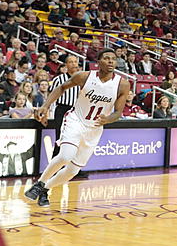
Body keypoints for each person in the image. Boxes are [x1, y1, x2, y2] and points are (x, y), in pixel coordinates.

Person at [24, 50, 130, 207]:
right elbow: (61, 88)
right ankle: (40, 183)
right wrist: (46, 106)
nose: (110, 62)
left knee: (72, 171)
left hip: (94, 129)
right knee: (66, 155)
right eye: (106, 58)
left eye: (113, 59)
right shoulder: (84, 76)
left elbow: (118, 113)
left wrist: (108, 119)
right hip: (76, 121)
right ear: (98, 62)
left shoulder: (122, 84)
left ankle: (44, 189)